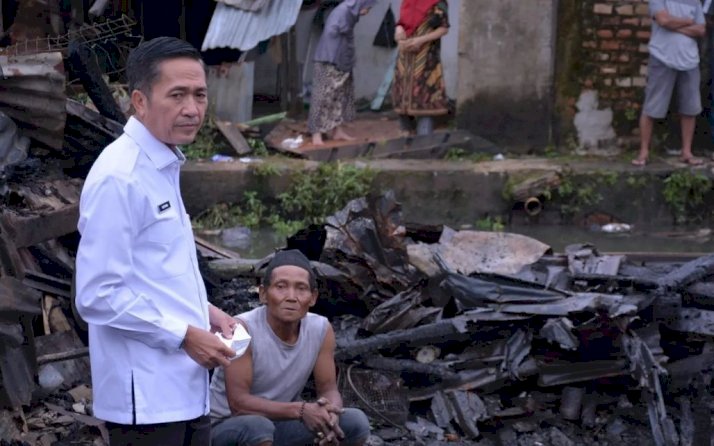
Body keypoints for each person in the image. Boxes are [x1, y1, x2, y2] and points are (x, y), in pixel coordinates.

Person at [74, 37, 238, 446]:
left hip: (186, 388)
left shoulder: (162, 162)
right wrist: (185, 334)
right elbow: (97, 294)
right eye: (177, 95)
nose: (192, 109)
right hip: (145, 401)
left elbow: (155, 271)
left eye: (199, 95)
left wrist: (208, 312)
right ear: (140, 102)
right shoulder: (120, 175)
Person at [209, 250, 371, 446]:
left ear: (312, 298)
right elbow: (239, 405)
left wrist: (330, 412)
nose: (291, 297)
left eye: (301, 288)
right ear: (263, 294)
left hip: (279, 425)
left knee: (355, 423)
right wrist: (301, 410)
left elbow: (328, 389)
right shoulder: (240, 329)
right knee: (258, 427)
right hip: (227, 428)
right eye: (281, 287)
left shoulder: (321, 329)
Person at [633, 0, 706, 166]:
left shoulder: (694, 1)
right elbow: (663, 20)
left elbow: (701, 29)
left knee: (690, 108)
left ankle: (686, 152)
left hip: (690, 60)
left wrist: (675, 25)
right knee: (652, 105)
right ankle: (643, 152)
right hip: (662, 57)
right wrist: (688, 22)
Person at [308, 0, 377, 146]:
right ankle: (316, 133)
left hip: (341, 61)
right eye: (367, 8)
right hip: (328, 59)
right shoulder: (343, 12)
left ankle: (336, 130)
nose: (367, 12)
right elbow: (332, 32)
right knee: (322, 97)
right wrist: (343, 40)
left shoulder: (350, 15)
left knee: (340, 97)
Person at [392, 0, 450, 136]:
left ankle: (424, 141)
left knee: (424, 98)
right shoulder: (407, 2)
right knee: (403, 100)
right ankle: (406, 139)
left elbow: (444, 28)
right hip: (404, 61)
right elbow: (401, 24)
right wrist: (398, 33)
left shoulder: (438, 3)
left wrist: (420, 40)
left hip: (425, 60)